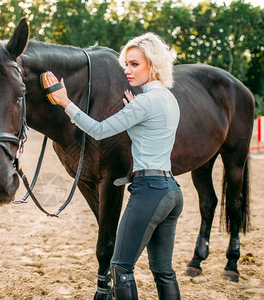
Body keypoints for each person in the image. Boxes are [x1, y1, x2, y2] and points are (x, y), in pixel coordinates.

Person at [43, 32, 183, 300]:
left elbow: (97, 130)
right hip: (171, 191)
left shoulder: (144, 103)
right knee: (164, 271)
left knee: (120, 268)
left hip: (149, 192)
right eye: (126, 64)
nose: (127, 71)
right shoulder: (168, 99)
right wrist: (135, 112)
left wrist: (65, 102)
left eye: (134, 64)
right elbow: (150, 133)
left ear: (152, 65)